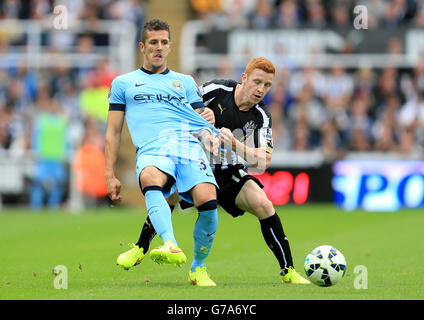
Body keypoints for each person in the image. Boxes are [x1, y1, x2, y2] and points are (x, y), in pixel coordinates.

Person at [118, 57, 310, 284]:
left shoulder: (261, 116)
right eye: (257, 82)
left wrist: (234, 144)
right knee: (170, 195)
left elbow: (263, 161)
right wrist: (199, 117)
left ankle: (288, 271)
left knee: (263, 204)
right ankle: (141, 248)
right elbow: (179, 104)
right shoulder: (217, 89)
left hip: (227, 169)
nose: (261, 89)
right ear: (244, 78)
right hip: (192, 159)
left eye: (267, 85)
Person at [106, 19, 219, 287]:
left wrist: (208, 134)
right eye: (153, 43)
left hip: (187, 148)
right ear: (142, 47)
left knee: (209, 201)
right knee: (149, 177)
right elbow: (113, 132)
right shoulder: (124, 83)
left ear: (170, 46)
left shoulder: (185, 83)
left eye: (164, 42)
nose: (159, 48)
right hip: (152, 148)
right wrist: (109, 174)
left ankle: (198, 268)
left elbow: (200, 122)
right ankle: (170, 243)